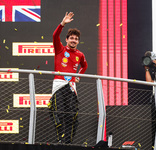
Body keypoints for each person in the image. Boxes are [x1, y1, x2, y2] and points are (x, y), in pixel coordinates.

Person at [48, 12, 88, 144]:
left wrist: (79, 76)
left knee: (71, 116)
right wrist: (62, 24)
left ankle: (68, 142)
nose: (73, 40)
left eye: (76, 39)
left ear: (78, 41)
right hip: (59, 85)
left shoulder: (80, 54)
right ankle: (60, 139)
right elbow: (55, 35)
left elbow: (84, 66)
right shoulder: (60, 49)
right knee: (57, 113)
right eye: (71, 38)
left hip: (71, 87)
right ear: (67, 39)